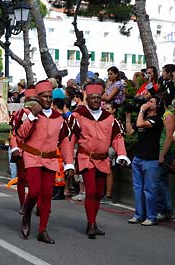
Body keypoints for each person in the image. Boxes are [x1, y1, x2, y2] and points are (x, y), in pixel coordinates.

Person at [68, 81, 130, 239]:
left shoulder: (109, 118)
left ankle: (94, 222)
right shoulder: (78, 115)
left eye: (98, 98)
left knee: (98, 193)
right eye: (92, 98)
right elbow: (70, 140)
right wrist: (68, 161)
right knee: (91, 191)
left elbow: (117, 137)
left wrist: (121, 154)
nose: (95, 100)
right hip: (86, 158)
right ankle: (90, 223)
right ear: (87, 98)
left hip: (103, 160)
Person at [16, 80, 74, 244]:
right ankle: (27, 214)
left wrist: (69, 163)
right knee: (34, 192)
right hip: (32, 156)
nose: (48, 100)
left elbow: (64, 142)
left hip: (50, 158)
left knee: (47, 195)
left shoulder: (59, 118)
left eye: (50, 97)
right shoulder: (31, 114)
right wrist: (33, 116)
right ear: (38, 97)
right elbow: (21, 134)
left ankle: (43, 230)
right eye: (44, 97)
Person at [127, 96, 164, 226]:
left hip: (150, 159)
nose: (148, 103)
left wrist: (142, 110)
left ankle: (151, 216)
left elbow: (140, 124)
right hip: (138, 157)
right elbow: (130, 131)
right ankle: (138, 215)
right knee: (137, 188)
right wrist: (128, 115)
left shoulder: (157, 120)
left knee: (149, 189)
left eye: (151, 102)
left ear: (157, 106)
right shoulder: (145, 118)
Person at [9, 86, 37, 214]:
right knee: (22, 178)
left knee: (35, 180)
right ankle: (23, 204)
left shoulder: (44, 113)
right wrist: (15, 147)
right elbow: (15, 133)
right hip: (23, 149)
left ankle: (36, 205)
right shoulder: (21, 113)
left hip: (38, 151)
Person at [156, 98, 174, 221]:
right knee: (161, 181)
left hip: (166, 152)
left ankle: (165, 210)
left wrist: (162, 155)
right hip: (161, 151)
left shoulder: (168, 116)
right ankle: (165, 209)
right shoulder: (163, 116)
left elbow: (168, 137)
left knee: (159, 181)